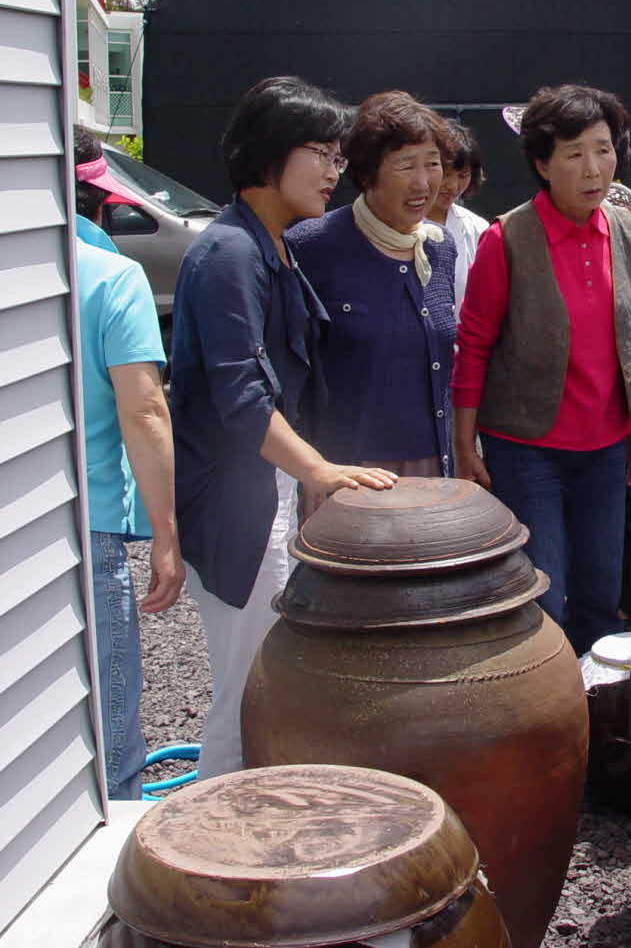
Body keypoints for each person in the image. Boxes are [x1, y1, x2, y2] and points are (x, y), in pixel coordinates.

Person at [171, 76, 396, 778]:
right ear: (269, 151)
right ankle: (208, 860)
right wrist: (319, 471)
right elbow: (241, 396)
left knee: (270, 686)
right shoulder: (229, 254)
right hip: (235, 501)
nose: (335, 170)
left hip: (262, 489)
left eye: (339, 155)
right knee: (246, 695)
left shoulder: (272, 244)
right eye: (322, 153)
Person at [452, 84, 631, 655]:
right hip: (527, 444)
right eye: (574, 154)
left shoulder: (626, 230)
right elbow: (474, 344)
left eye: (604, 149)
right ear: (543, 164)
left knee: (600, 588)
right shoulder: (506, 238)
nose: (594, 168)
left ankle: (598, 721)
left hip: (606, 444)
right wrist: (465, 446)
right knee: (544, 590)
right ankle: (545, 715)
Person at [289, 91, 457, 502]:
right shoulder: (312, 246)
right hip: (348, 473)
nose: (423, 182)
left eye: (432, 163)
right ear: (367, 174)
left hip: (431, 466)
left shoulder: (439, 247)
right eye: (406, 166)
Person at [75, 224, 183, 799]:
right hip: (85, 522)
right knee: (107, 723)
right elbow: (143, 412)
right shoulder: (111, 276)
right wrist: (165, 535)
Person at [427, 119, 489, 314]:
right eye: (446, 173)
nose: (453, 186)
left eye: (463, 176)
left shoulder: (478, 228)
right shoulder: (396, 223)